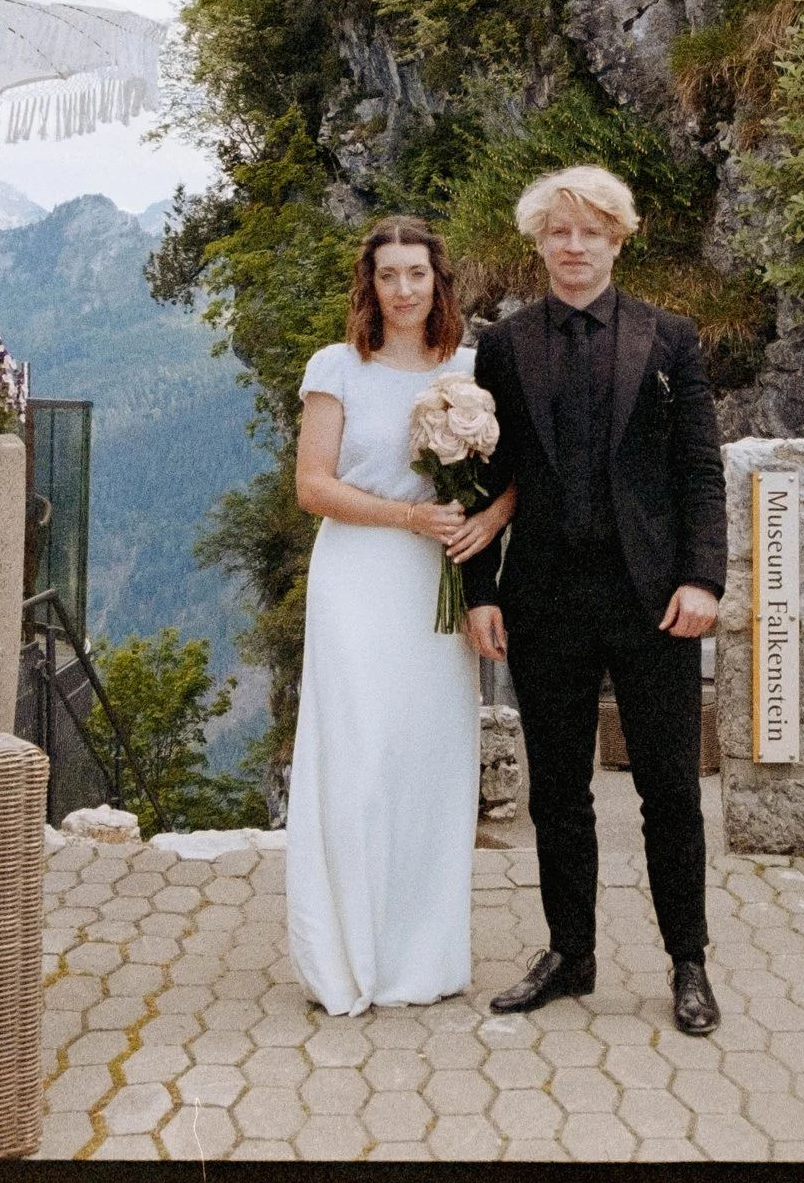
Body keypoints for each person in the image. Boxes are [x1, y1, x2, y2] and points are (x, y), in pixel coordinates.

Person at [461, 166, 728, 1036]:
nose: (573, 246)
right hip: (544, 598)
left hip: (653, 599)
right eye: (558, 231)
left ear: (619, 239)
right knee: (560, 795)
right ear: (538, 241)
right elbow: (484, 480)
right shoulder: (502, 345)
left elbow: (699, 471)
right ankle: (570, 953)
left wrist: (704, 579)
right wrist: (479, 591)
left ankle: (687, 960)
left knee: (668, 790)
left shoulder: (670, 339)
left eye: (591, 231)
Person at [285, 216, 516, 1014]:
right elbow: (313, 485)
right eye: (389, 275)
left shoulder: (474, 368)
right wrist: (409, 517)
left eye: (417, 273)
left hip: (437, 583)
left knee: (429, 763)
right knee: (358, 762)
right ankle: (349, 954)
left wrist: (483, 517)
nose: (405, 289)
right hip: (357, 576)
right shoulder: (337, 367)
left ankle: (425, 956)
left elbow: (515, 472)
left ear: (439, 279)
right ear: (370, 284)